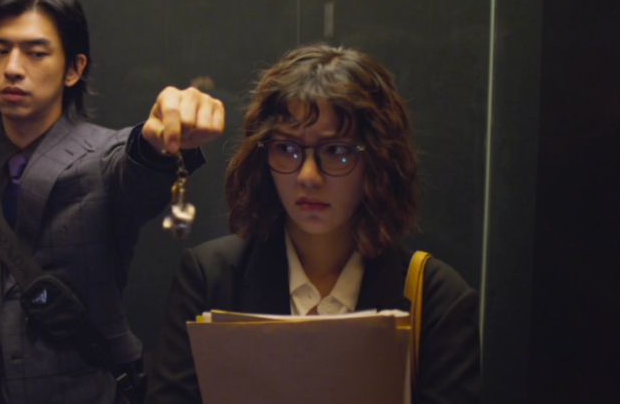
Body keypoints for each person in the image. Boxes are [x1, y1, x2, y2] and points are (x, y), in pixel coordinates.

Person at [0, 0, 225, 404]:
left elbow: (135, 168)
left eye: (36, 52)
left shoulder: (104, 159)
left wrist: (158, 141)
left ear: (74, 69)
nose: (12, 67)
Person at [146, 44, 480, 404]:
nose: (308, 176)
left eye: (336, 151)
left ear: (378, 160)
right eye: (287, 149)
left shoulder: (436, 299)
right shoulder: (211, 278)